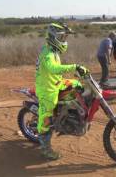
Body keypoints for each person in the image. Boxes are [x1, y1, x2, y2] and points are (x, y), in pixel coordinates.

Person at [35, 23, 88, 160]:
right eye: (61, 37)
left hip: (56, 83)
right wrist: (74, 66)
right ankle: (45, 148)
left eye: (65, 37)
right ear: (53, 37)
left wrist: (81, 72)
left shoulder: (54, 51)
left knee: (77, 85)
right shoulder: (47, 53)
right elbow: (53, 69)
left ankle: (69, 114)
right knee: (46, 117)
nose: (64, 40)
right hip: (47, 89)